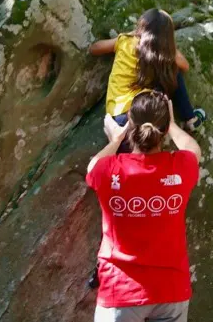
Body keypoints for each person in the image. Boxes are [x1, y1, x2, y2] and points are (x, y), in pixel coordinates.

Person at [86, 91, 203, 322]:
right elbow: (193, 149)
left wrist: (116, 140)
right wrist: (170, 124)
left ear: (131, 121)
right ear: (163, 130)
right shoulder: (180, 167)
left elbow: (92, 167)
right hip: (171, 290)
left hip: (119, 291)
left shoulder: (109, 170)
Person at [89, 8, 205, 133]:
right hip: (142, 112)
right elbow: (185, 66)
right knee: (173, 71)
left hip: (116, 117)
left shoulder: (125, 40)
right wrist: (167, 46)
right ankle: (190, 119)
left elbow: (94, 48)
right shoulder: (161, 52)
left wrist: (129, 34)